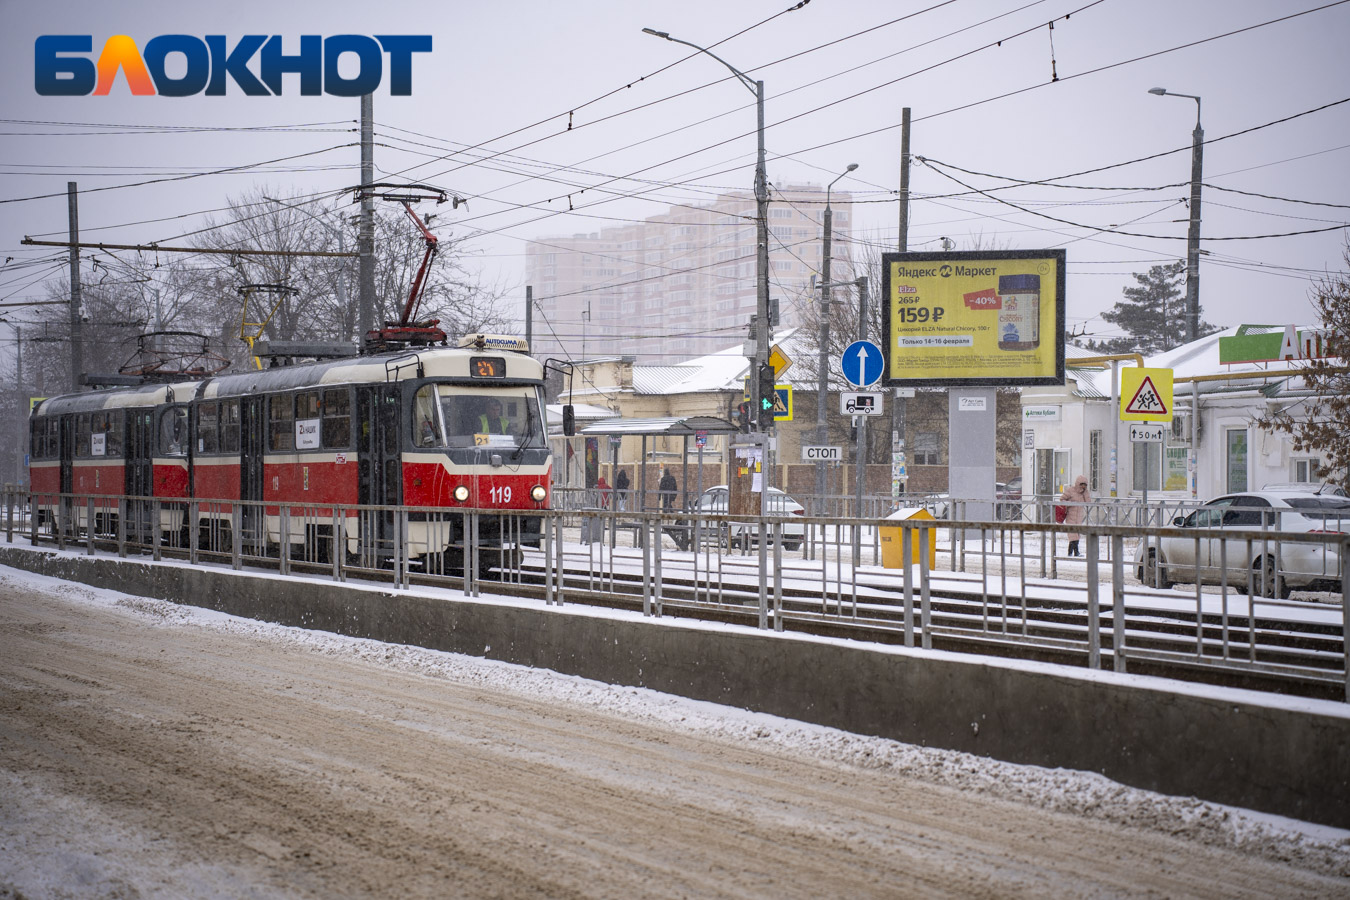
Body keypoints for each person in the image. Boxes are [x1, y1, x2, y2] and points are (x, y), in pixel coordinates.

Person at [1060, 475, 1090, 557]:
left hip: (1079, 517)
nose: (1083, 486)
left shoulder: (1084, 493)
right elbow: (1062, 499)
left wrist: (1085, 493)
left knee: (1076, 535)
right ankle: (1073, 552)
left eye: (1085, 485)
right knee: (1073, 535)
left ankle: (1073, 553)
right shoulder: (1070, 490)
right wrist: (1070, 503)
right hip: (1070, 515)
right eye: (1082, 484)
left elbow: (1088, 502)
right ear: (1078, 483)